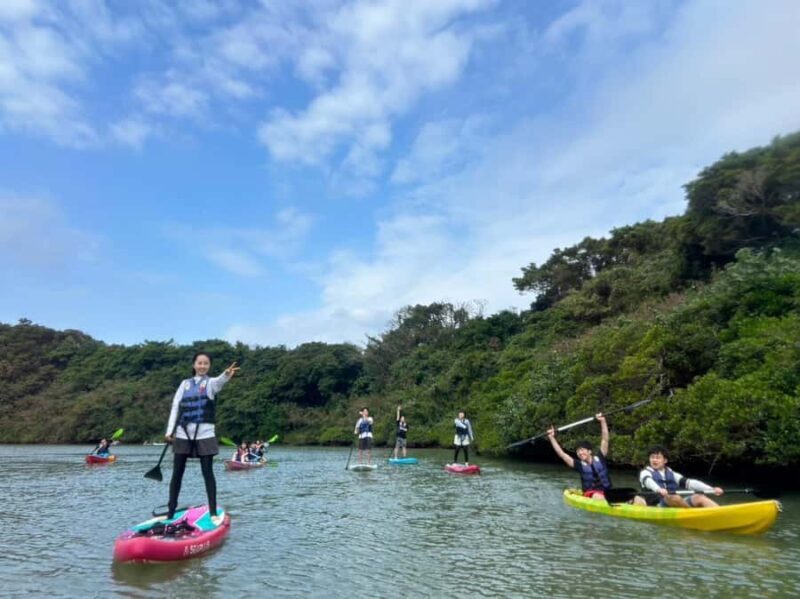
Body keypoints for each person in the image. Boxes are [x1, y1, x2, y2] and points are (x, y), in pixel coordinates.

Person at [165, 352, 239, 524]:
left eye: (206, 363)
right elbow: (175, 407)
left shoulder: (210, 383)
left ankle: (212, 512)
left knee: (208, 473)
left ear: (209, 366)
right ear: (194, 365)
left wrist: (226, 374)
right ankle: (170, 510)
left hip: (205, 434)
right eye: (199, 363)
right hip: (183, 434)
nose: (202, 366)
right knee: (177, 474)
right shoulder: (184, 384)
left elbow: (220, 381)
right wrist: (170, 431)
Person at [547, 413, 611, 501]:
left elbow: (605, 439)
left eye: (582, 450)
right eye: (578, 451)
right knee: (598, 496)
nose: (580, 453)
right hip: (591, 494)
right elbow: (561, 454)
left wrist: (603, 421)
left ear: (589, 451)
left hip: (608, 493)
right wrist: (552, 438)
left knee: (635, 496)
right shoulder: (579, 465)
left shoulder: (600, 457)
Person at [634, 445, 724, 507]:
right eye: (652, 457)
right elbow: (649, 482)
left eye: (657, 457)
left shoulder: (672, 473)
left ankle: (721, 514)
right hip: (657, 506)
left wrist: (711, 489)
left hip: (676, 503)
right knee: (672, 497)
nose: (654, 460)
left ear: (665, 460)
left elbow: (690, 483)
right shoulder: (645, 473)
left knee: (699, 496)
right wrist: (658, 489)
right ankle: (691, 513)